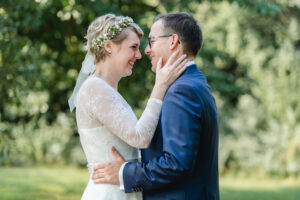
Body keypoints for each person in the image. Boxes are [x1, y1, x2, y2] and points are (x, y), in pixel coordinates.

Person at [92, 12, 220, 200]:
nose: (147, 50)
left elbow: (176, 163)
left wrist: (124, 172)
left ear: (173, 41)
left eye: (152, 41)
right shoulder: (196, 83)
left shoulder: (181, 90)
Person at [68, 14, 187, 200]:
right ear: (108, 46)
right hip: (109, 193)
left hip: (122, 189)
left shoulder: (106, 89)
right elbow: (140, 137)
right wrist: (160, 86)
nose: (139, 55)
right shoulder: (95, 88)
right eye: (133, 47)